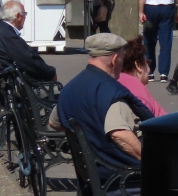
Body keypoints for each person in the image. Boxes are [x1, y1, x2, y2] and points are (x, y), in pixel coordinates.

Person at [50, 34, 155, 178]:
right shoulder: (111, 93)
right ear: (114, 60)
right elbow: (119, 134)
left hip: (91, 175)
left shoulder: (71, 87)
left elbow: (54, 122)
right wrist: (154, 163)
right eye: (122, 58)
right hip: (117, 177)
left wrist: (87, 134)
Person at [0, 0, 56, 82]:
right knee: (59, 90)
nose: (25, 17)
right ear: (17, 16)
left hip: (13, 79)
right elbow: (28, 61)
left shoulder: (3, 29)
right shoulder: (7, 35)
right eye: (24, 14)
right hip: (18, 83)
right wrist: (51, 72)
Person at [119, 37, 168, 117]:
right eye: (147, 63)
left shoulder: (114, 81)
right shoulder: (137, 91)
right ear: (138, 65)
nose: (149, 69)